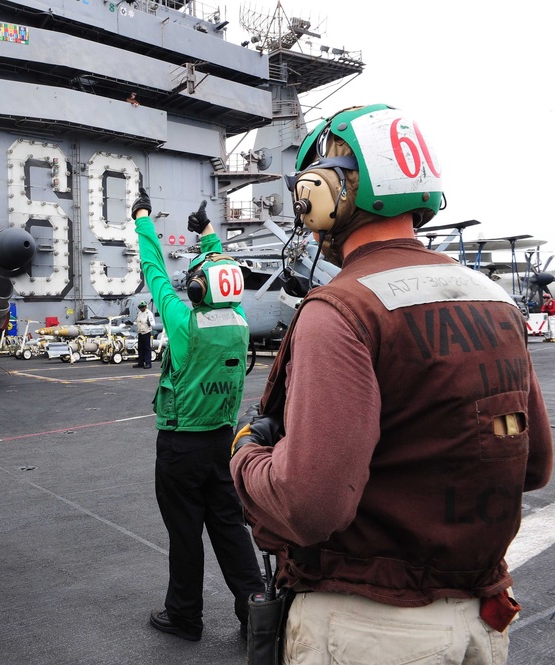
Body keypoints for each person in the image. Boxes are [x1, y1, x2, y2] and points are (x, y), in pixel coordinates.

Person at [230, 104, 553, 664]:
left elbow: (309, 507)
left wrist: (246, 457)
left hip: (367, 628)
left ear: (328, 190)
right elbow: (534, 465)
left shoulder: (342, 310)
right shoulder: (495, 301)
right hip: (480, 621)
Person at [131, 189, 265, 641]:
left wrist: (143, 219)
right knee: (229, 527)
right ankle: (255, 613)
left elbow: (154, 271)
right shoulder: (240, 321)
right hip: (223, 443)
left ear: (197, 289)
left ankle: (185, 616)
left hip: (181, 446)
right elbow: (221, 275)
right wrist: (208, 234)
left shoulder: (185, 325)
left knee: (185, 533)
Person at [133, 301, 155, 369]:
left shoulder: (149, 313)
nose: (141, 309)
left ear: (145, 307)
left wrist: (149, 323)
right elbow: (139, 322)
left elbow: (153, 323)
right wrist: (132, 323)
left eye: (142, 307)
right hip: (140, 332)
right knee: (140, 348)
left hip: (146, 332)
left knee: (147, 348)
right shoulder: (139, 313)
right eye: (140, 307)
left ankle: (148, 363)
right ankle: (141, 362)